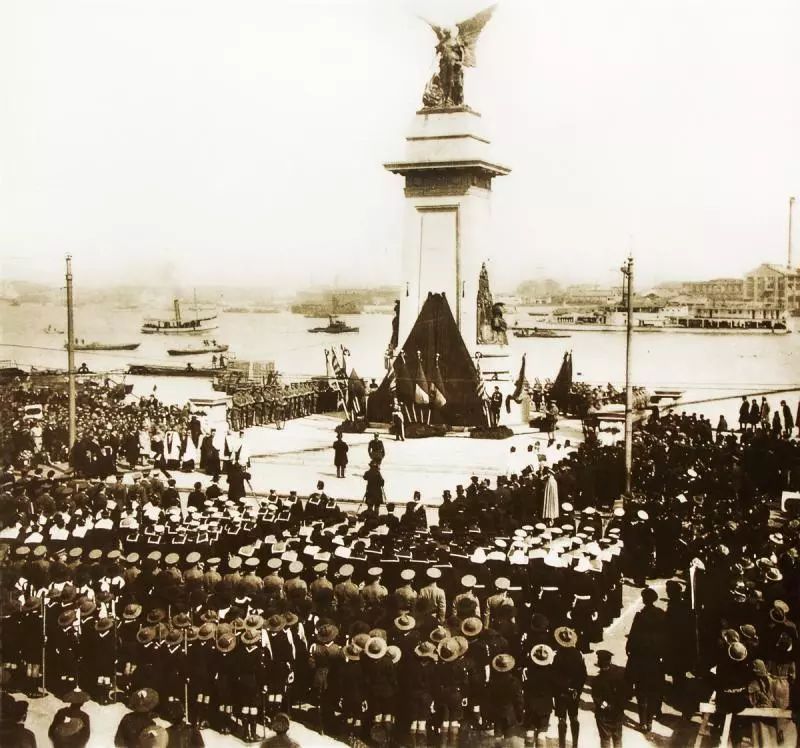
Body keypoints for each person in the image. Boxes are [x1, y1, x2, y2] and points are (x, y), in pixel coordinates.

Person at [625, 587, 666, 733]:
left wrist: (629, 649)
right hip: (655, 660)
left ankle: (642, 722)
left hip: (640, 659)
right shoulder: (661, 614)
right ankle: (650, 721)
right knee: (653, 691)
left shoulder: (640, 616)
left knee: (641, 692)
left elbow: (633, 636)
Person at [593, 650, 628, 748]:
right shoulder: (620, 674)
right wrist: (619, 706)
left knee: (605, 740)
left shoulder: (597, 681)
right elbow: (626, 694)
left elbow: (597, 699)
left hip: (604, 716)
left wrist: (607, 706)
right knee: (617, 739)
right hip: (618, 713)